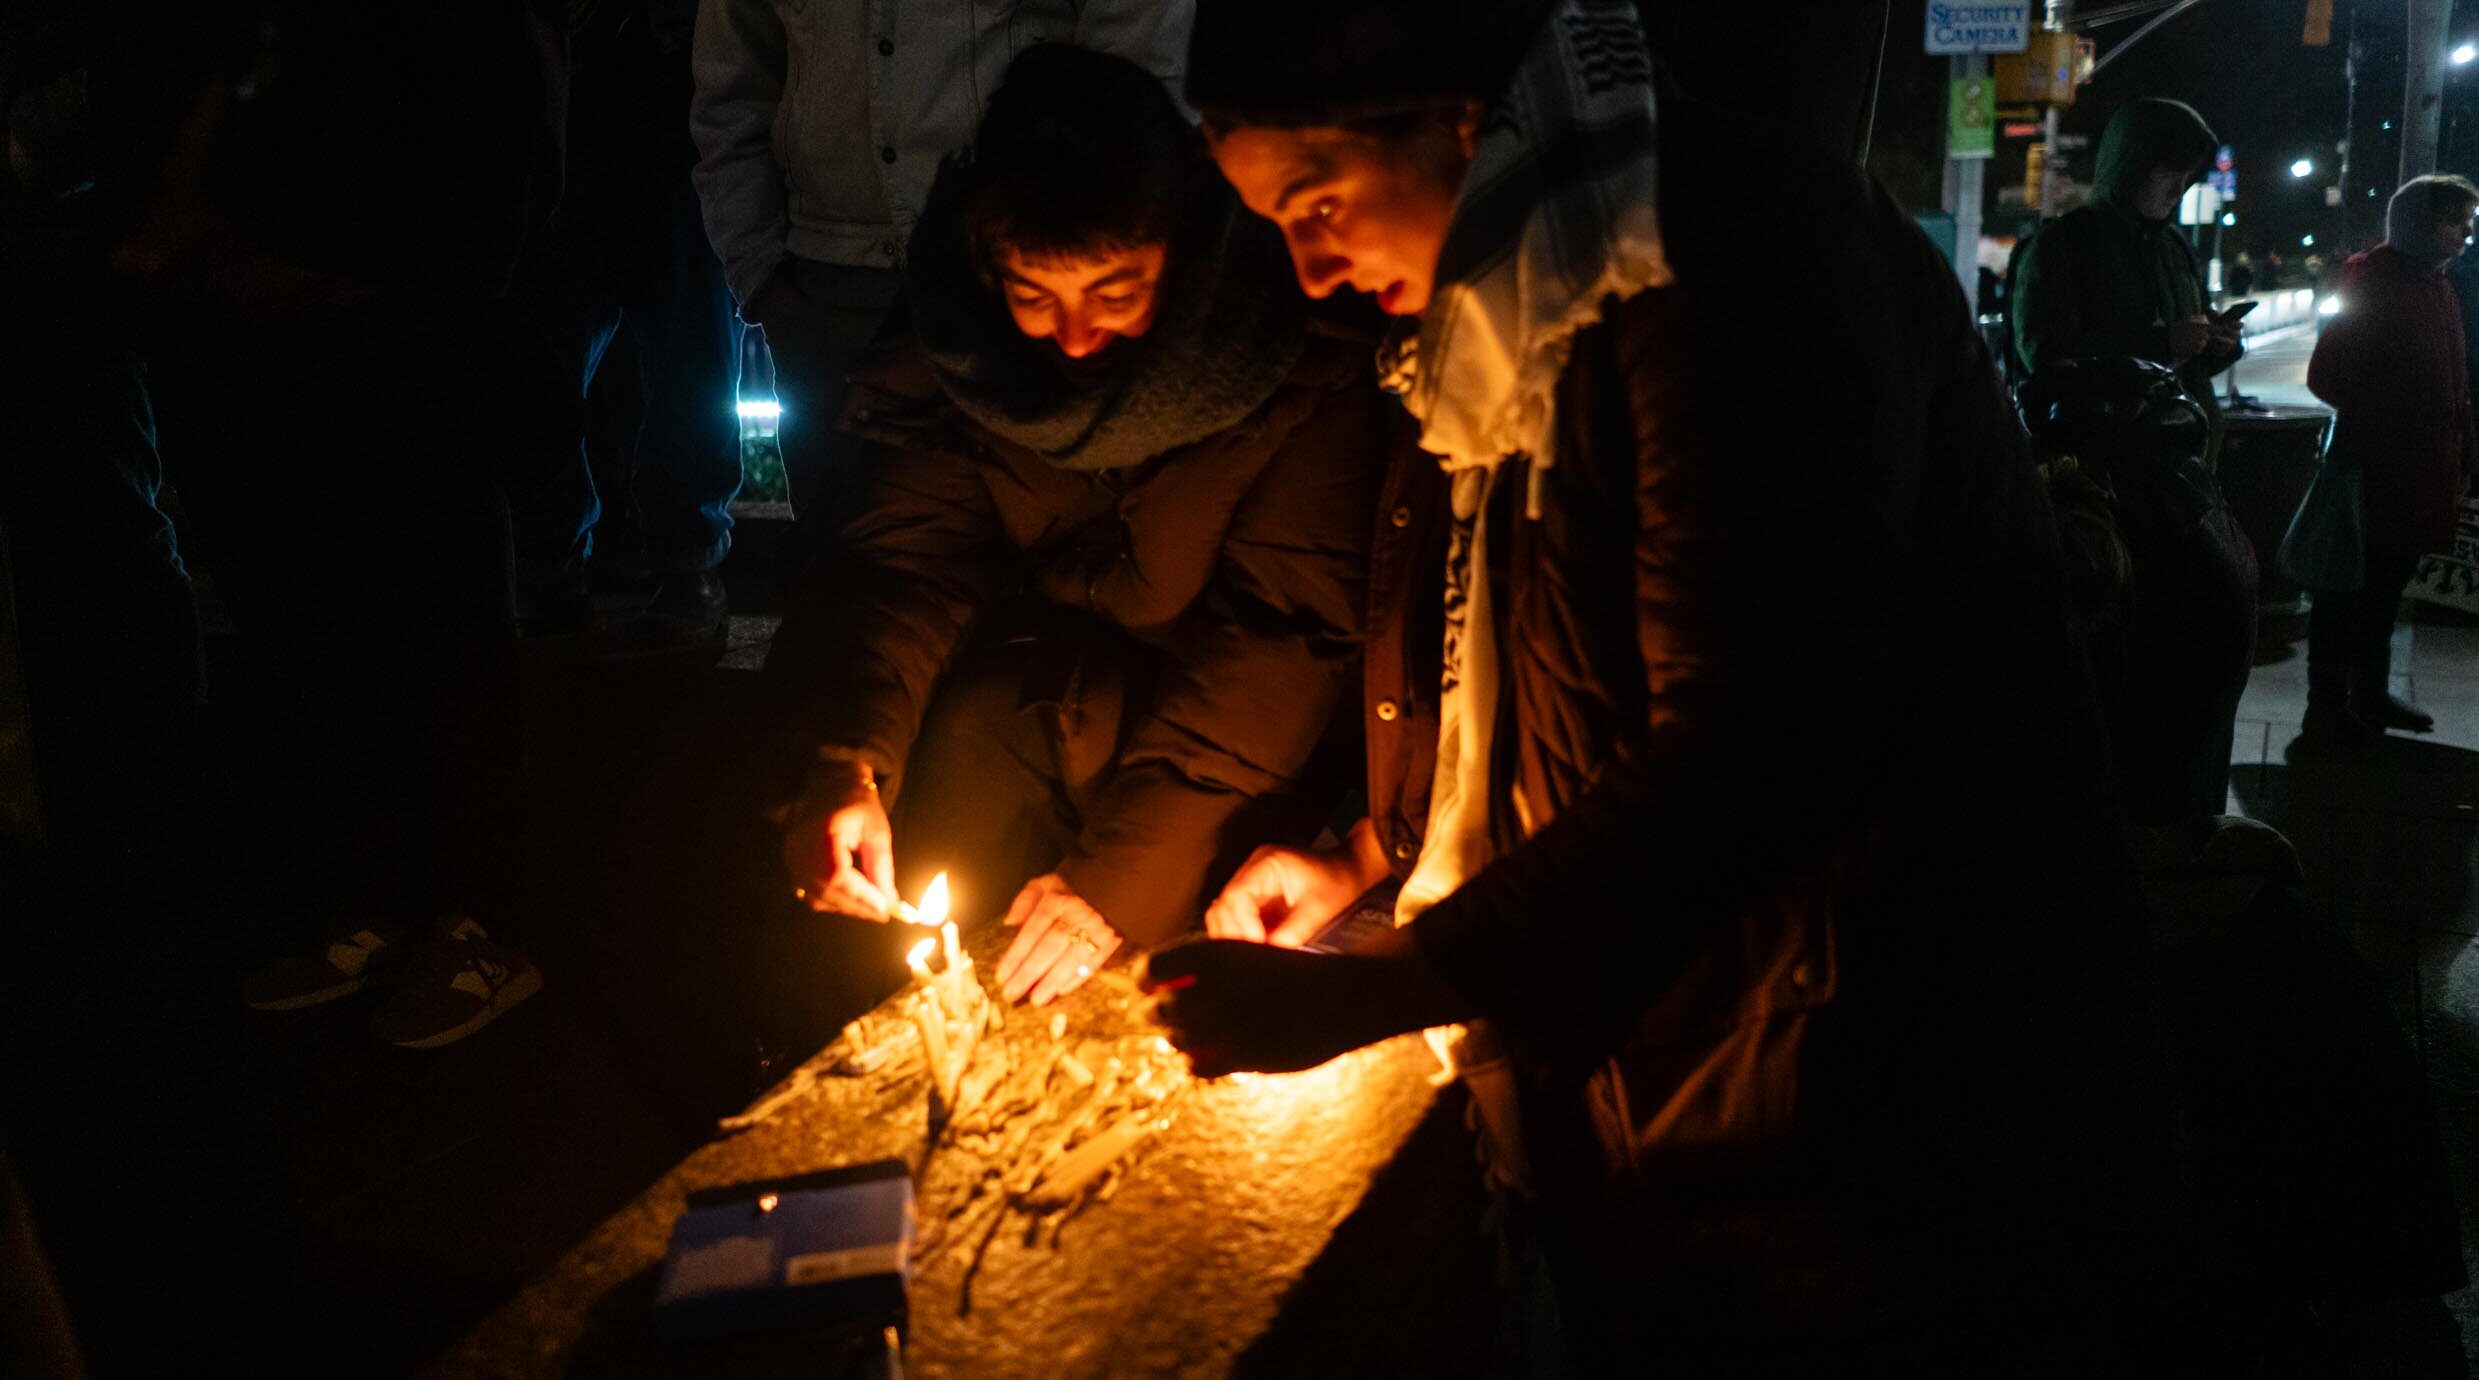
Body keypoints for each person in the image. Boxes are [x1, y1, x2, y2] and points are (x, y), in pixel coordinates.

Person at [1150, 0, 2185, 1369]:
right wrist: (1369, 851)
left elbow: (1757, 736)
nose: (1310, 269)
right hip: (1712, 1092)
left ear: (1458, 118)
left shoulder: (1723, 255)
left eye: (1315, 201)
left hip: (1878, 1113)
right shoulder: (1516, 300)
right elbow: (1529, 678)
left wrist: (1395, 986)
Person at [767, 44, 1395, 1007]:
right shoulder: (960, 353)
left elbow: (1282, 633)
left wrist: (1115, 883)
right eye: (1032, 298)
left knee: (1147, 982)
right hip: (1034, 700)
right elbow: (901, 562)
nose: (1073, 338)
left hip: (1243, 753)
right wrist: (843, 757)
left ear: (1182, 257)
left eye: (1115, 292)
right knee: (917, 875)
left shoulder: (1293, 358)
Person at [689, 0, 1189, 513]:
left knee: (1044, 524)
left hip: (1027, 290)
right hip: (830, 290)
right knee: (842, 548)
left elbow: (1146, 81)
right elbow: (730, 94)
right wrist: (763, 276)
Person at [511, 0, 743, 653]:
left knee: (684, 349)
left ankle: (680, 560)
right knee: (544, 345)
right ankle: (554, 561)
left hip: (666, 92)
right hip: (567, 92)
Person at [2301, 174, 2479, 741]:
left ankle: (2369, 697)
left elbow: (2455, 385)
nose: (2466, 232)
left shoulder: (2436, 283)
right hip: (2376, 473)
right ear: (2418, 224)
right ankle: (2328, 710)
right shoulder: (2375, 281)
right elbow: (2326, 375)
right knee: (2348, 592)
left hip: (2421, 471)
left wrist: (2463, 457)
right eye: (2455, 220)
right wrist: (2391, 418)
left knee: (2383, 593)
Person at [2013, 98, 2241, 463]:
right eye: (2167, 176)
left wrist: (2218, 343)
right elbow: (2047, 357)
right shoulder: (2065, 244)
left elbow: (2190, 364)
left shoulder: (2173, 247)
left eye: (2186, 178)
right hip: (2102, 469)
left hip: (2186, 470)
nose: (2178, 190)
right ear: (2131, 168)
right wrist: (2161, 344)